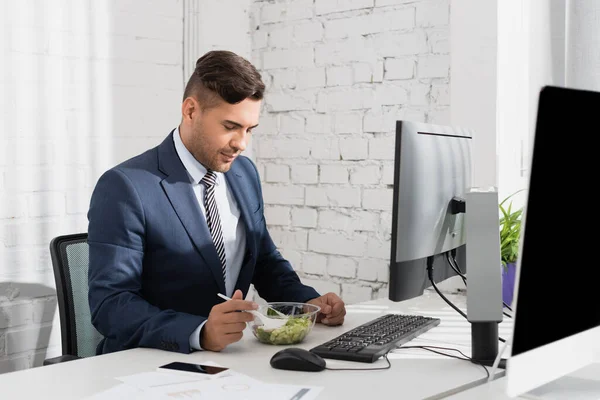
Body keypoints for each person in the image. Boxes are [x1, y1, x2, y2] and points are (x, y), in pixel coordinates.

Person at [87, 50, 346, 354]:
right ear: (191, 111)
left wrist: (305, 303)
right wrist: (198, 332)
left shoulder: (243, 173)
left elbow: (263, 259)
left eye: (249, 129)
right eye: (230, 126)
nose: (241, 143)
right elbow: (110, 304)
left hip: (228, 362)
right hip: (150, 363)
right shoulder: (125, 186)